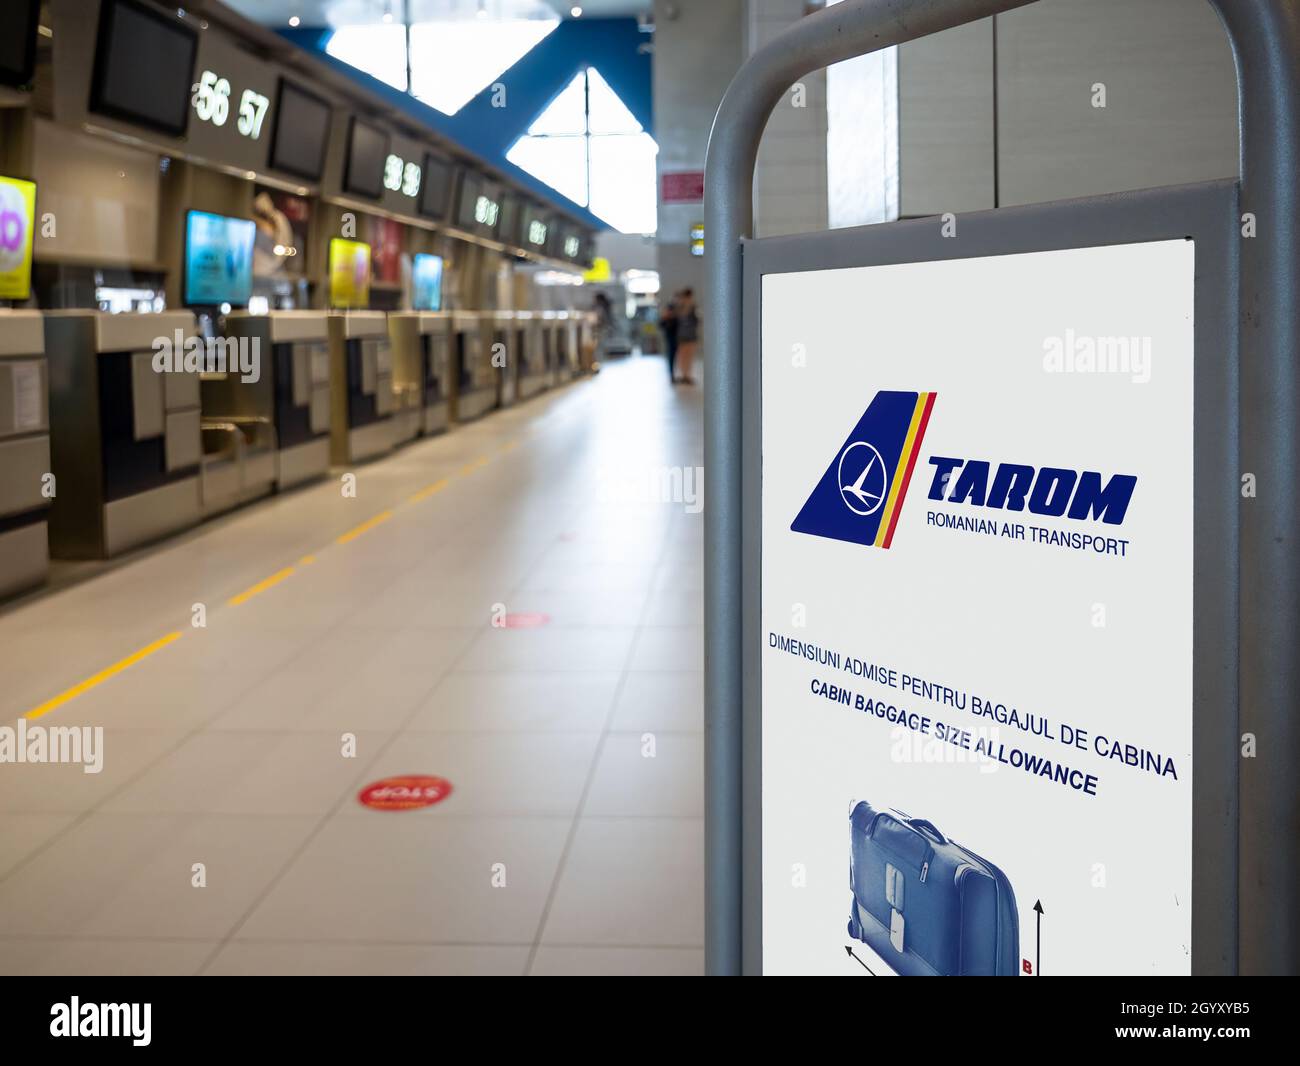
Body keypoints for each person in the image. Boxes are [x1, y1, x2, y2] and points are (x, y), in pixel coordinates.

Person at [675, 288, 699, 385]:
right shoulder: (680, 307)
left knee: (689, 356)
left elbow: (696, 321)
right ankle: (684, 375)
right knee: (682, 356)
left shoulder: (693, 307)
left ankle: (687, 375)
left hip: (690, 335)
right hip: (683, 335)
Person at [661, 291, 679, 383]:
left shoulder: (681, 310)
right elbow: (662, 324)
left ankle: (680, 374)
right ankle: (672, 374)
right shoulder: (669, 308)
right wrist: (667, 318)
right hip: (671, 336)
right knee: (671, 356)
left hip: (681, 337)